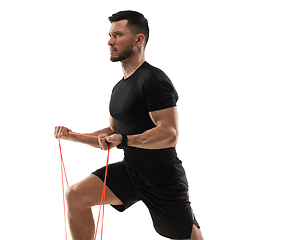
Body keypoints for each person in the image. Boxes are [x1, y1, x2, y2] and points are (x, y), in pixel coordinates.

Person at [54, 11, 204, 240]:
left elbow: (169, 134)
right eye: (109, 35)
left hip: (162, 178)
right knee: (76, 195)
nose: (110, 41)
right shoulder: (119, 88)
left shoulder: (154, 80)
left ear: (138, 39)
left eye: (117, 35)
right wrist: (74, 136)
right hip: (132, 171)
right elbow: (113, 133)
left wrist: (126, 140)